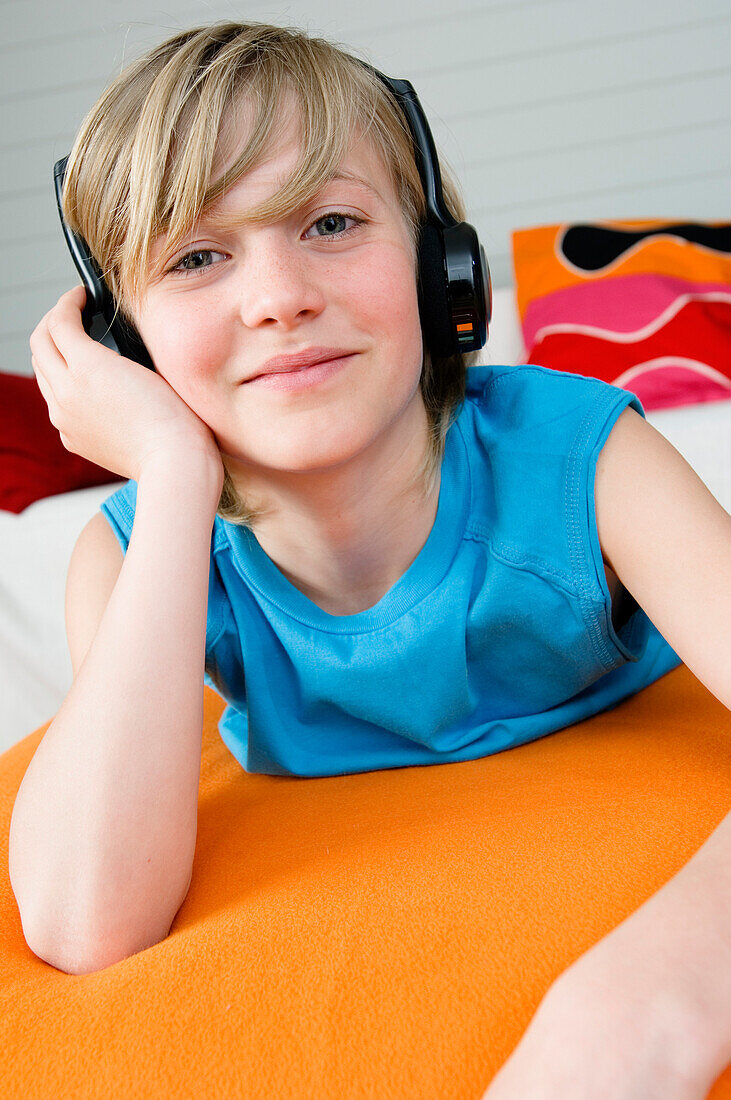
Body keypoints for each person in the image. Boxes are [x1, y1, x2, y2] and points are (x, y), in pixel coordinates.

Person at [10, 20, 731, 1096]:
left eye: (331, 221)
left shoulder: (579, 456)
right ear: (124, 342)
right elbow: (84, 919)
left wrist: (642, 1009)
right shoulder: (133, 552)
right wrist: (168, 469)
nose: (278, 297)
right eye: (199, 256)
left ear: (442, 263)